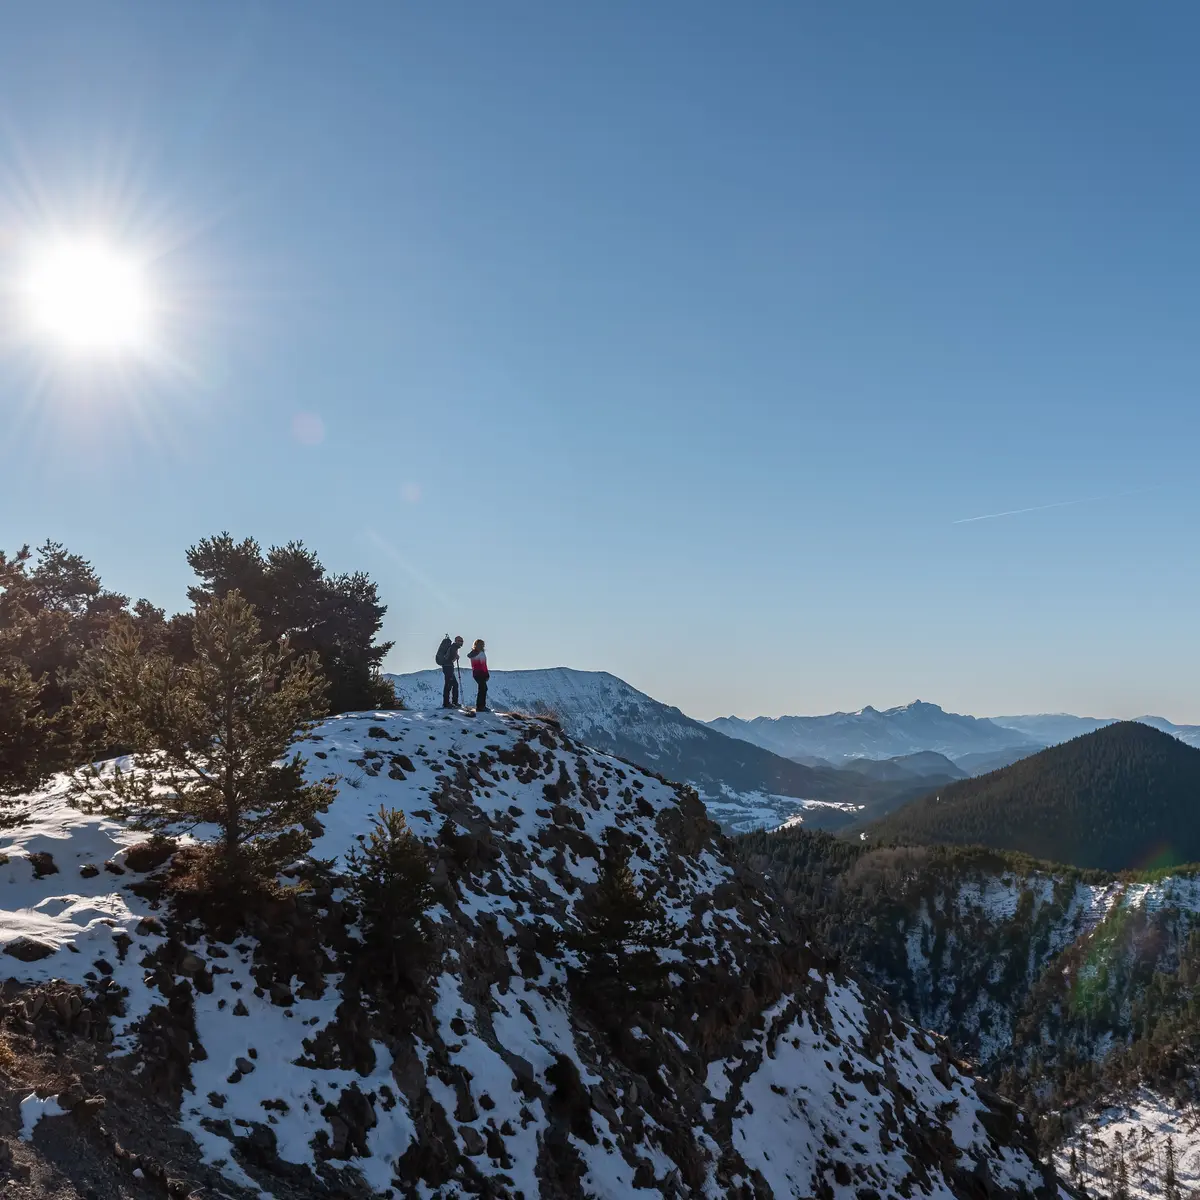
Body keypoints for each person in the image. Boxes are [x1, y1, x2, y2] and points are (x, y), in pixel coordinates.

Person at [436, 635, 464, 708]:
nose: (461, 643)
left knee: (451, 684)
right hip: (448, 667)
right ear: (456, 641)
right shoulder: (453, 647)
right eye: (460, 641)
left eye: (462, 641)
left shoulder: (453, 647)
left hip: (447, 667)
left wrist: (455, 657)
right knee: (450, 685)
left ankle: (450, 703)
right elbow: (450, 658)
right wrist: (456, 657)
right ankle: (448, 703)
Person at [467, 638, 489, 713]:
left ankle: (480, 706)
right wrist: (486, 674)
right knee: (483, 689)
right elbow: (483, 665)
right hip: (481, 673)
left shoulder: (473, 654)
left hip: (475, 673)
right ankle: (481, 706)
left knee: (482, 689)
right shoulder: (481, 653)